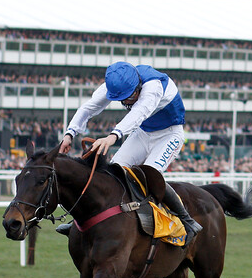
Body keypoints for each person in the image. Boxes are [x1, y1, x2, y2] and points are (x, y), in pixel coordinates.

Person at [57, 61, 202, 245]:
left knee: (149, 175)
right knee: (112, 171)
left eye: (129, 96)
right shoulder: (115, 84)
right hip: (143, 133)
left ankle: (188, 221)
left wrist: (112, 137)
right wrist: (70, 133)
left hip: (169, 134)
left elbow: (138, 114)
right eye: (122, 99)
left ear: (138, 86)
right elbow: (89, 107)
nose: (126, 102)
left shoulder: (153, 87)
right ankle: (80, 222)